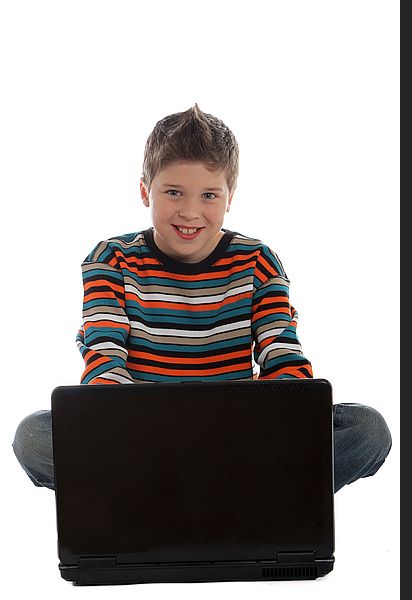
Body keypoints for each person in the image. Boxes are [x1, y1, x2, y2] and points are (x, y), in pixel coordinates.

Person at [12, 104, 391, 493]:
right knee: (35, 436)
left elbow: (283, 355)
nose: (190, 212)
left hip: (237, 441)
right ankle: (210, 498)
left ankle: (194, 497)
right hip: (140, 441)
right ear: (146, 190)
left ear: (230, 197)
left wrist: (282, 421)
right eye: (174, 192)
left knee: (366, 429)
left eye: (209, 194)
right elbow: (104, 358)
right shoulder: (111, 259)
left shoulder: (257, 262)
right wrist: (142, 437)